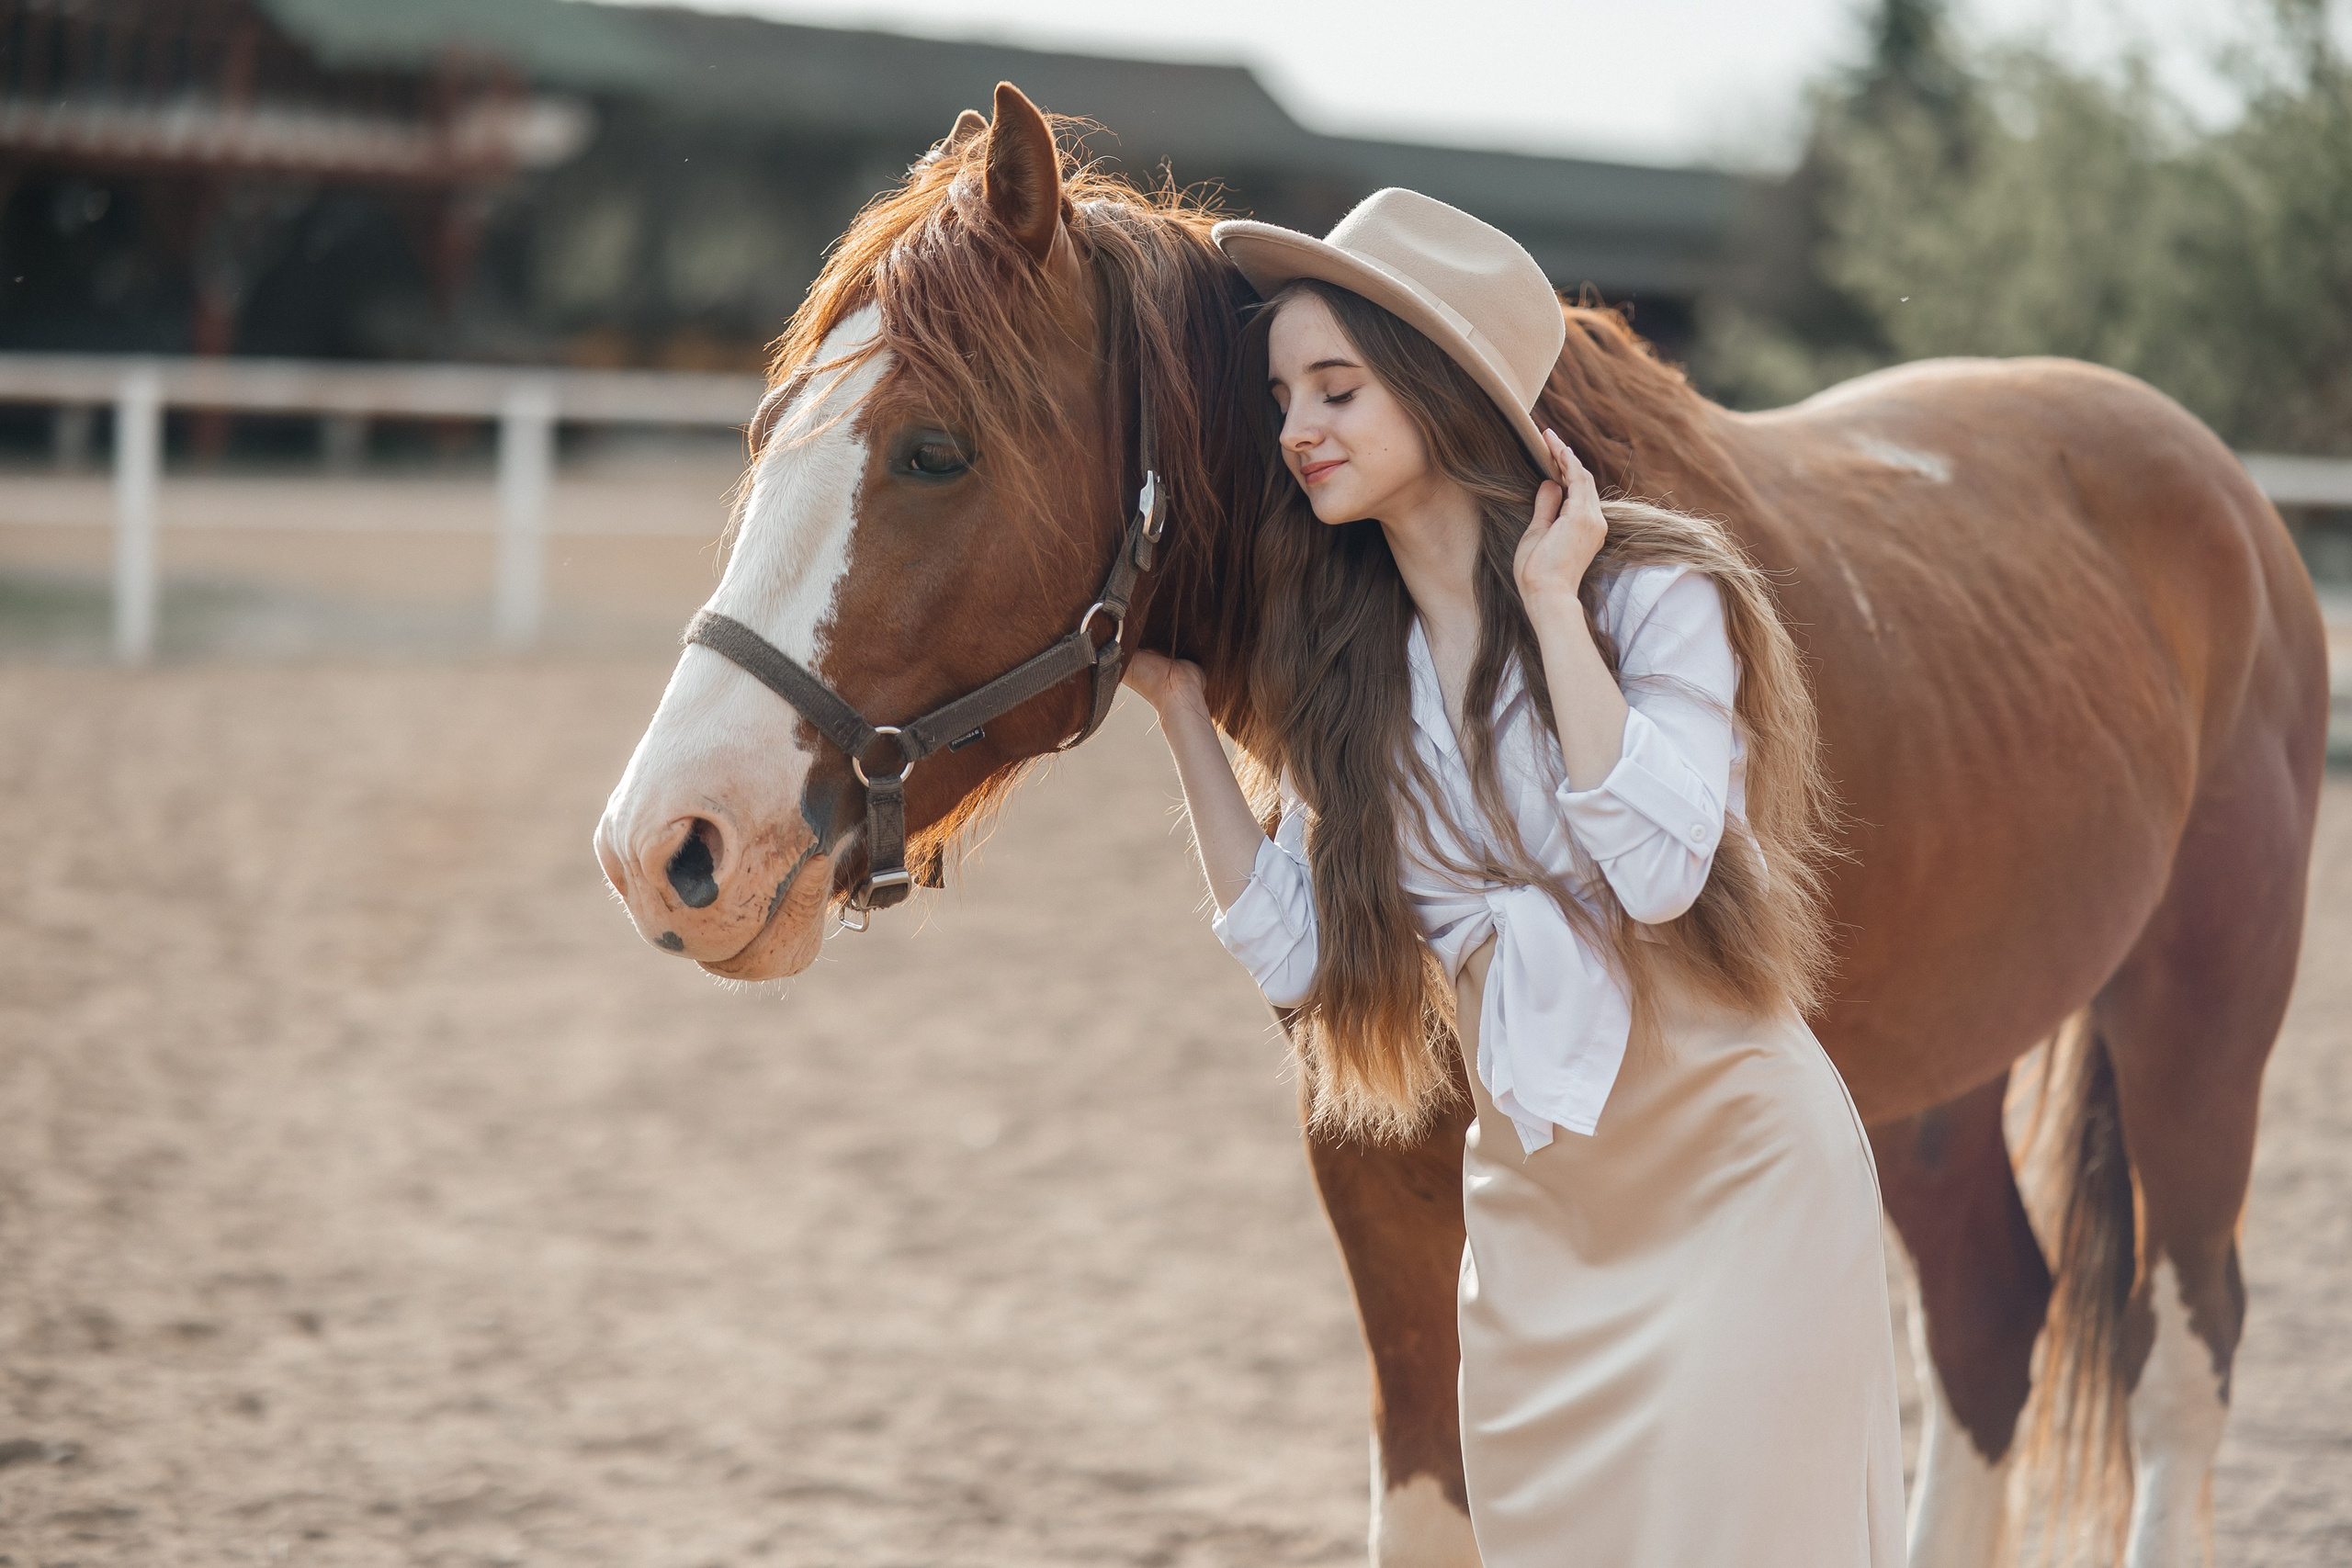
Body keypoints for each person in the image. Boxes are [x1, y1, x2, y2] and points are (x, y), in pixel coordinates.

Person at [1124, 188, 1906, 1566]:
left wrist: (1555, 610)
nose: (1298, 427)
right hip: (1542, 1233)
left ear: (1438, 389)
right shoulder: (1347, 673)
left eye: (1338, 388)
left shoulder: (1651, 596)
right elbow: (1306, 965)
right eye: (1283, 394)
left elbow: (1663, 874)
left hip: (1743, 1187)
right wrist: (1186, 722)